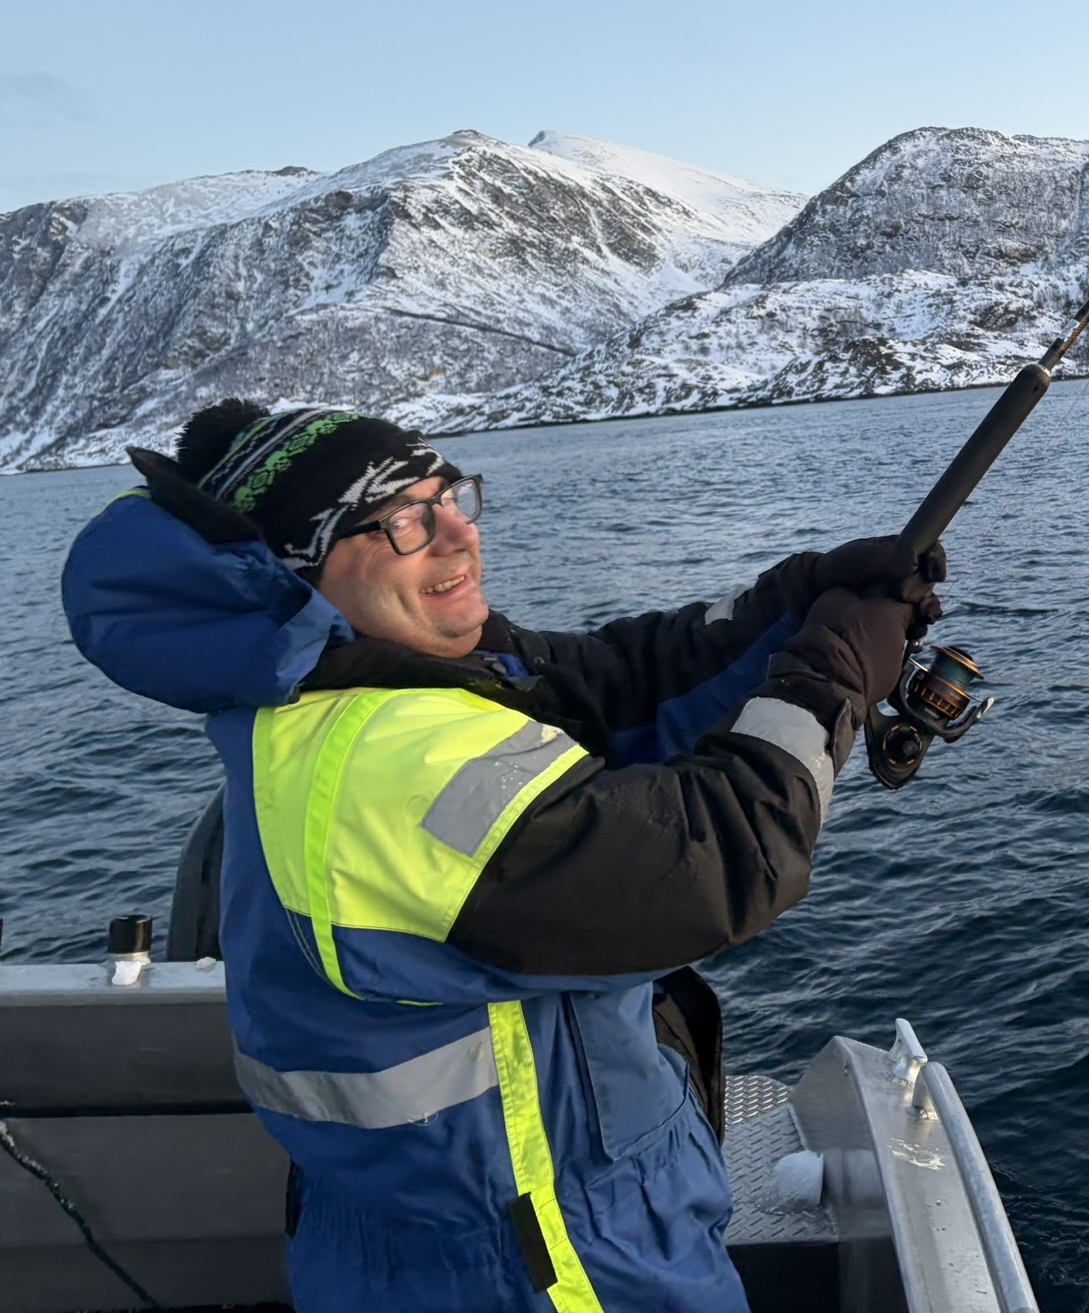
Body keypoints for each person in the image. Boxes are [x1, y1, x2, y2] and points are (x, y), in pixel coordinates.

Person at [61, 399, 943, 1313]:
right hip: (538, 1260)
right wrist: (831, 676)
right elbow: (714, 860)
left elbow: (611, 685)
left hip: (466, 1224)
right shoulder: (386, 762)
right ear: (300, 569)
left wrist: (798, 601)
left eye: (451, 497)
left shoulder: (371, 680)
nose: (458, 535)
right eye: (403, 521)